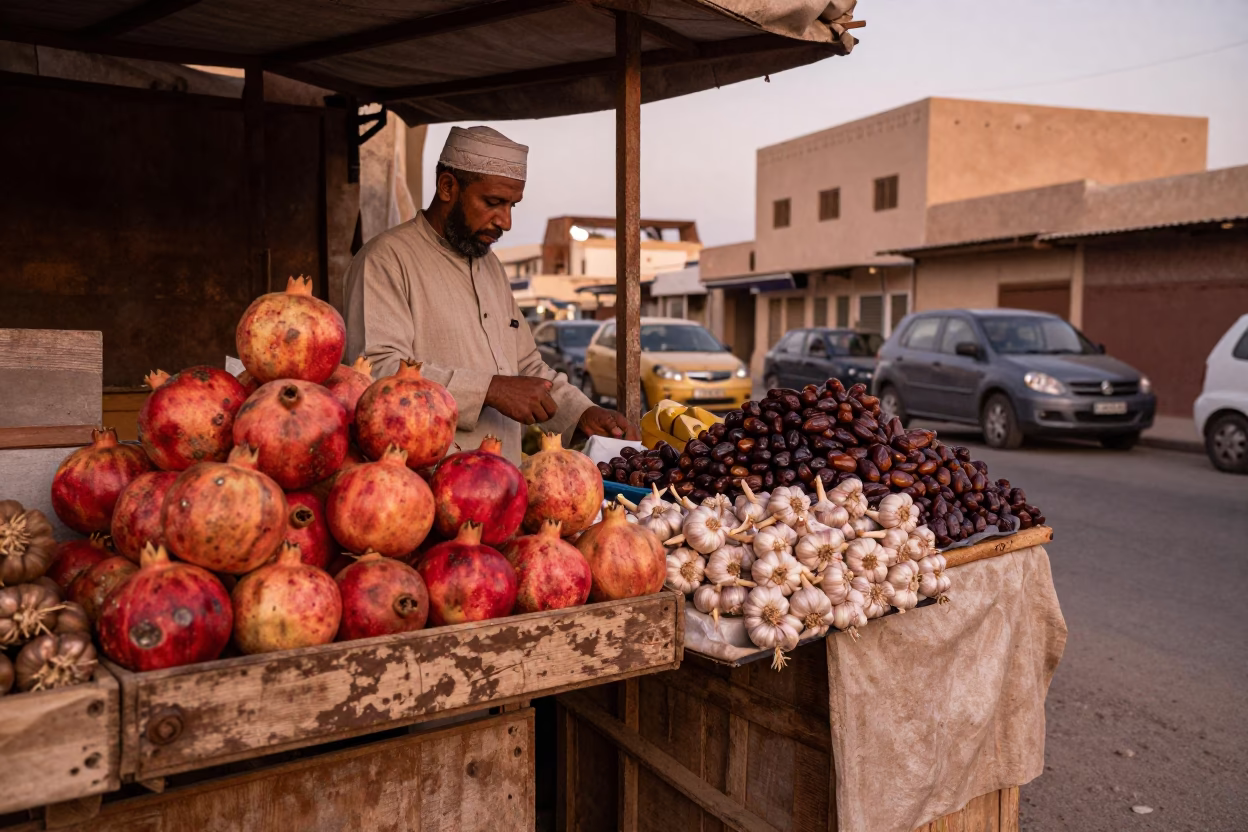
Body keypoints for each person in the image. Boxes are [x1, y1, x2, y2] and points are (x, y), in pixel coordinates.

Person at [343, 125, 636, 462]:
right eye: (493, 202)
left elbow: (525, 366)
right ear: (447, 186)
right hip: (423, 485)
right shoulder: (385, 260)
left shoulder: (491, 267)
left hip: (504, 484)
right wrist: (490, 390)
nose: (506, 221)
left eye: (512, 205)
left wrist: (581, 412)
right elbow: (375, 371)